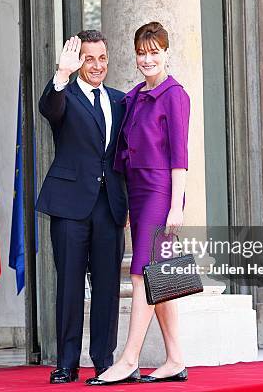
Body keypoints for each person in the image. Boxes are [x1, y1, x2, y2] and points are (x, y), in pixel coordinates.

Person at [86, 22, 190, 386]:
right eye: (142, 53)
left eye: (154, 52)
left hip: (162, 194)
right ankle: (175, 358)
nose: (147, 59)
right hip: (139, 193)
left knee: (142, 272)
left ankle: (129, 359)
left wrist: (176, 205)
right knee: (159, 275)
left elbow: (180, 157)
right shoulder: (133, 97)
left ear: (166, 53)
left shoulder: (174, 95)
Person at [37, 30, 128, 384]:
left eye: (102, 58)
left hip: (109, 206)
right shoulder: (65, 95)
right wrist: (61, 74)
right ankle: (66, 363)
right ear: (78, 63)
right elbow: (49, 108)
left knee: (107, 286)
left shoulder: (121, 101)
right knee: (70, 285)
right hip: (70, 206)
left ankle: (104, 361)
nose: (97, 65)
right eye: (89, 59)